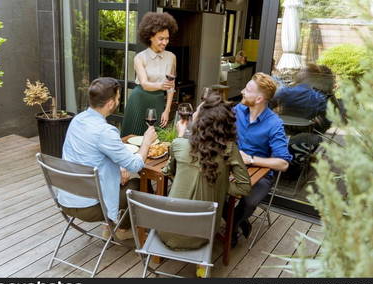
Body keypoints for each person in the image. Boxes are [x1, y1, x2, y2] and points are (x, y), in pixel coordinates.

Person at [58, 77, 157, 239]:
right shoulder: (106, 131)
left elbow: (88, 156)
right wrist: (146, 141)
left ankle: (116, 226)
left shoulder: (77, 120)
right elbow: (135, 165)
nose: (119, 101)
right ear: (110, 103)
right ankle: (121, 229)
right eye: (118, 98)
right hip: (89, 206)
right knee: (139, 184)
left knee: (124, 179)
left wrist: (118, 167)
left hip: (66, 197)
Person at [159, 91, 251, 256]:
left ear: (200, 122)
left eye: (197, 113)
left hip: (166, 231)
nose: (193, 114)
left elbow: (168, 172)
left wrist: (180, 137)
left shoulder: (179, 145)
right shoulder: (229, 150)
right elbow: (244, 188)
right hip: (205, 234)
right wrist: (220, 182)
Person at [230, 72, 292, 247]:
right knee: (213, 188)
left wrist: (250, 159)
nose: (242, 91)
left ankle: (233, 225)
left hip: (261, 174)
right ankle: (235, 224)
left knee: (249, 202)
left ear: (258, 99)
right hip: (233, 166)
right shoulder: (237, 111)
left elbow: (283, 163)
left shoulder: (274, 124)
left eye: (248, 89)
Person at [271, 64, 337, 178]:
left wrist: (275, 114)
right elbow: (330, 119)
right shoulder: (319, 98)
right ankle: (301, 161)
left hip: (281, 139)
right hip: (302, 142)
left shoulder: (286, 92)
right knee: (317, 137)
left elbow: (269, 104)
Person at [121, 12, 178, 137]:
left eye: (167, 38)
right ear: (150, 37)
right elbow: (145, 84)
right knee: (132, 137)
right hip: (139, 100)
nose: (165, 42)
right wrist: (162, 85)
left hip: (158, 100)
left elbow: (171, 86)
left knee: (156, 139)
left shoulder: (171, 57)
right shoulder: (139, 58)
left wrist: (167, 110)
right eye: (161, 38)